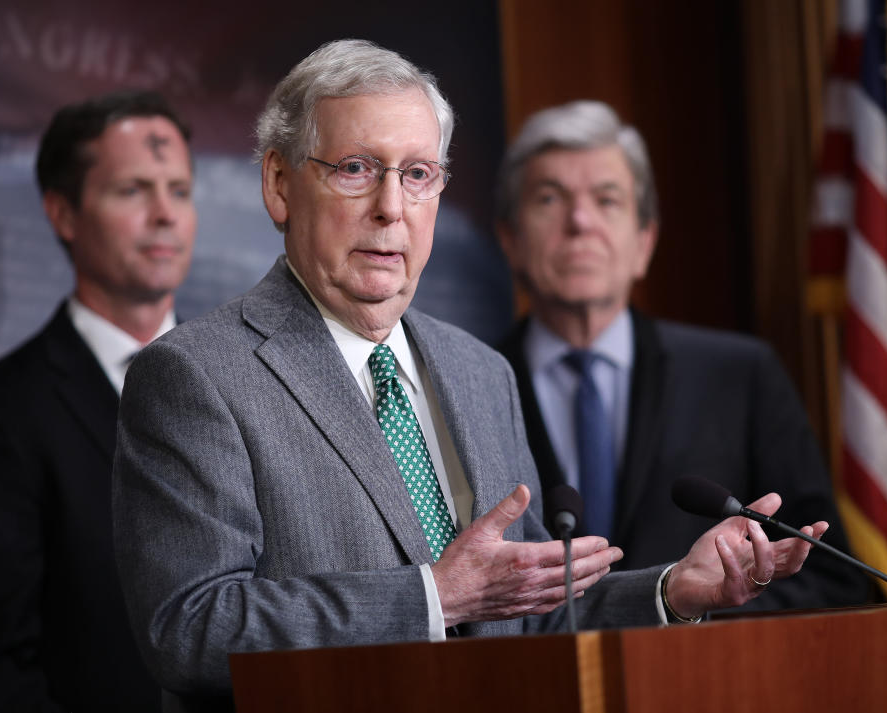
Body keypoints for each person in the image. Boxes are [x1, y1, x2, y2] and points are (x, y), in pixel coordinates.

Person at [111, 40, 826, 712]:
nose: (391, 207)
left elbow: (534, 611)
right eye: (356, 167)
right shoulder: (194, 376)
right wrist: (433, 597)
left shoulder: (480, 371)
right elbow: (191, 629)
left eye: (417, 175)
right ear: (279, 184)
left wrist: (675, 589)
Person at [495, 100, 868, 612]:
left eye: (607, 200)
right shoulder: (465, 383)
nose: (579, 221)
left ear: (644, 242)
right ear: (510, 239)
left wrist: (696, 614)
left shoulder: (740, 376)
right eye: (549, 199)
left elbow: (834, 579)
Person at [0, 90, 197, 712]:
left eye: (178, 189)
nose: (165, 214)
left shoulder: (254, 384)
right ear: (63, 213)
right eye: (133, 190)